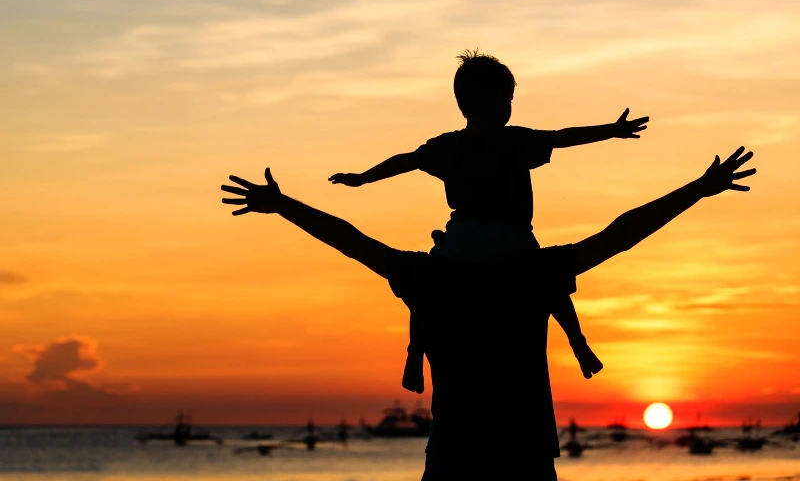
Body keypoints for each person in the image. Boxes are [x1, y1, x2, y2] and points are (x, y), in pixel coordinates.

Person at [221, 147, 754, 480]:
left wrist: (284, 205)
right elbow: (620, 235)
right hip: (523, 456)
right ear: (518, 203)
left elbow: (351, 241)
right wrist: (700, 190)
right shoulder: (533, 273)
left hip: (454, 455)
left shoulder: (429, 276)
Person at [328, 50, 649, 392]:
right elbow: (563, 136)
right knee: (550, 280)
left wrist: (362, 178)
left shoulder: (448, 146)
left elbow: (404, 161)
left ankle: (415, 353)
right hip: (512, 239)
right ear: (498, 100)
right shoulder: (514, 140)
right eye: (508, 99)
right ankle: (579, 344)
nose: (510, 106)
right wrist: (611, 131)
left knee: (425, 288)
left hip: (460, 240)